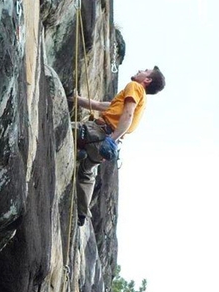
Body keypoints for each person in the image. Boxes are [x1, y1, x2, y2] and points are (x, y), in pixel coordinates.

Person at [70, 66, 166, 226]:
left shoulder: (135, 88)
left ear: (147, 80)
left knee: (62, 128)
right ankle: (82, 213)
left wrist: (112, 139)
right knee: (86, 172)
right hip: (102, 146)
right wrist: (74, 98)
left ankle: (81, 149)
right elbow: (99, 105)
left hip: (99, 133)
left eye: (146, 70)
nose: (141, 69)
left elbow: (128, 114)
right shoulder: (126, 102)